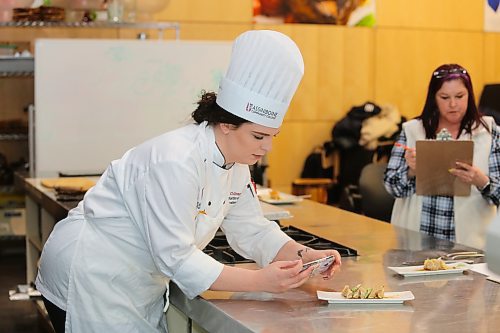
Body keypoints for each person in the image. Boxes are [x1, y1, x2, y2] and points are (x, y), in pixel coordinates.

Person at [35, 30, 342, 333]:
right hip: (93, 272)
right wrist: (260, 281)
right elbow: (176, 257)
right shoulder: (176, 161)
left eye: (273, 137)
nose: (266, 147)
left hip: (135, 279)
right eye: (258, 136)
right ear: (225, 125)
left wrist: (305, 256)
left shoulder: (235, 163)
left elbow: (253, 229)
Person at [384, 63, 500, 249]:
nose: (453, 104)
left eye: (460, 96)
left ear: (469, 96)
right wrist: (411, 171)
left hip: (471, 245)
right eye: (444, 97)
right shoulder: (413, 130)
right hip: (416, 242)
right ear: (434, 98)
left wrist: (482, 181)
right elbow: (391, 187)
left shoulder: (488, 131)